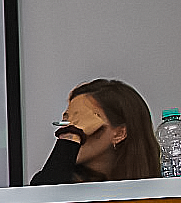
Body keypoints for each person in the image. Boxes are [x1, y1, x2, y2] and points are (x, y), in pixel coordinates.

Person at [32, 78, 161, 184]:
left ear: (119, 133)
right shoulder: (53, 179)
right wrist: (71, 137)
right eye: (66, 121)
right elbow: (43, 202)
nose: (69, 129)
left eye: (82, 119)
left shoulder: (163, 187)